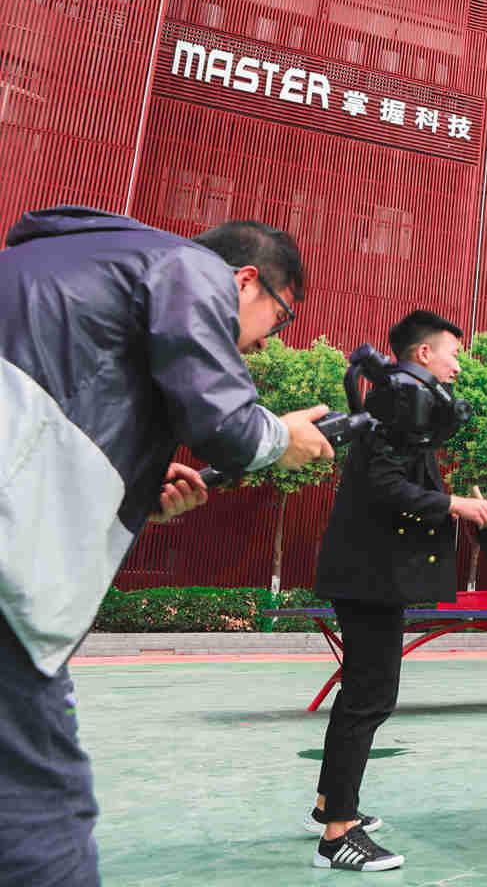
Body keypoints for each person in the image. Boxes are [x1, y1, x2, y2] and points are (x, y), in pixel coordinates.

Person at [0, 208, 335, 885]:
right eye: (280, 319)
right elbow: (227, 424)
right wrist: (281, 437)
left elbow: (51, 413)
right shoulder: (189, 268)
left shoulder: (67, 267)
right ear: (246, 280)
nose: (263, 347)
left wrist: (135, 486)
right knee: (43, 820)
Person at [307, 310, 487, 872]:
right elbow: (384, 486)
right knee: (369, 698)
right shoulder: (398, 404)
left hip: (369, 574)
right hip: (369, 577)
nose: (458, 366)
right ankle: (337, 836)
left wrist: (451, 501)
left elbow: (396, 482)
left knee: (362, 694)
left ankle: (330, 807)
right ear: (423, 354)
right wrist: (454, 504)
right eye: (453, 354)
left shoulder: (406, 406)